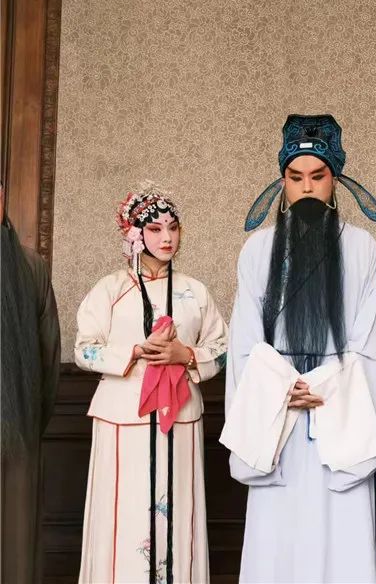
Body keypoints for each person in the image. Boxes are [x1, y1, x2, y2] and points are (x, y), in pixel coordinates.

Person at [226, 114, 376, 582]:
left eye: (317, 176)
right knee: (276, 541)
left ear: (334, 181)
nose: (306, 187)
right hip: (275, 416)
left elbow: (371, 341)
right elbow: (244, 342)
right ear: (282, 181)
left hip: (339, 410)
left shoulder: (362, 248)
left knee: (340, 539)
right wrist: (281, 387)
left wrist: (324, 386)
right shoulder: (257, 251)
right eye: (295, 177)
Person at [74, 186, 227, 583]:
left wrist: (186, 354)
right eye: (155, 229)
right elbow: (84, 350)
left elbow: (224, 348)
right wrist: (135, 351)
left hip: (181, 417)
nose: (167, 237)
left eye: (173, 228)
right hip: (122, 418)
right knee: (122, 513)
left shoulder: (195, 291)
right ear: (134, 234)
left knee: (178, 511)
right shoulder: (110, 289)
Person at [0, 179, 60, 583]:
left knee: (16, 548)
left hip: (18, 429)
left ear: (3, 196)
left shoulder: (31, 268)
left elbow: (48, 358)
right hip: (22, 427)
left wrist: (27, 424)